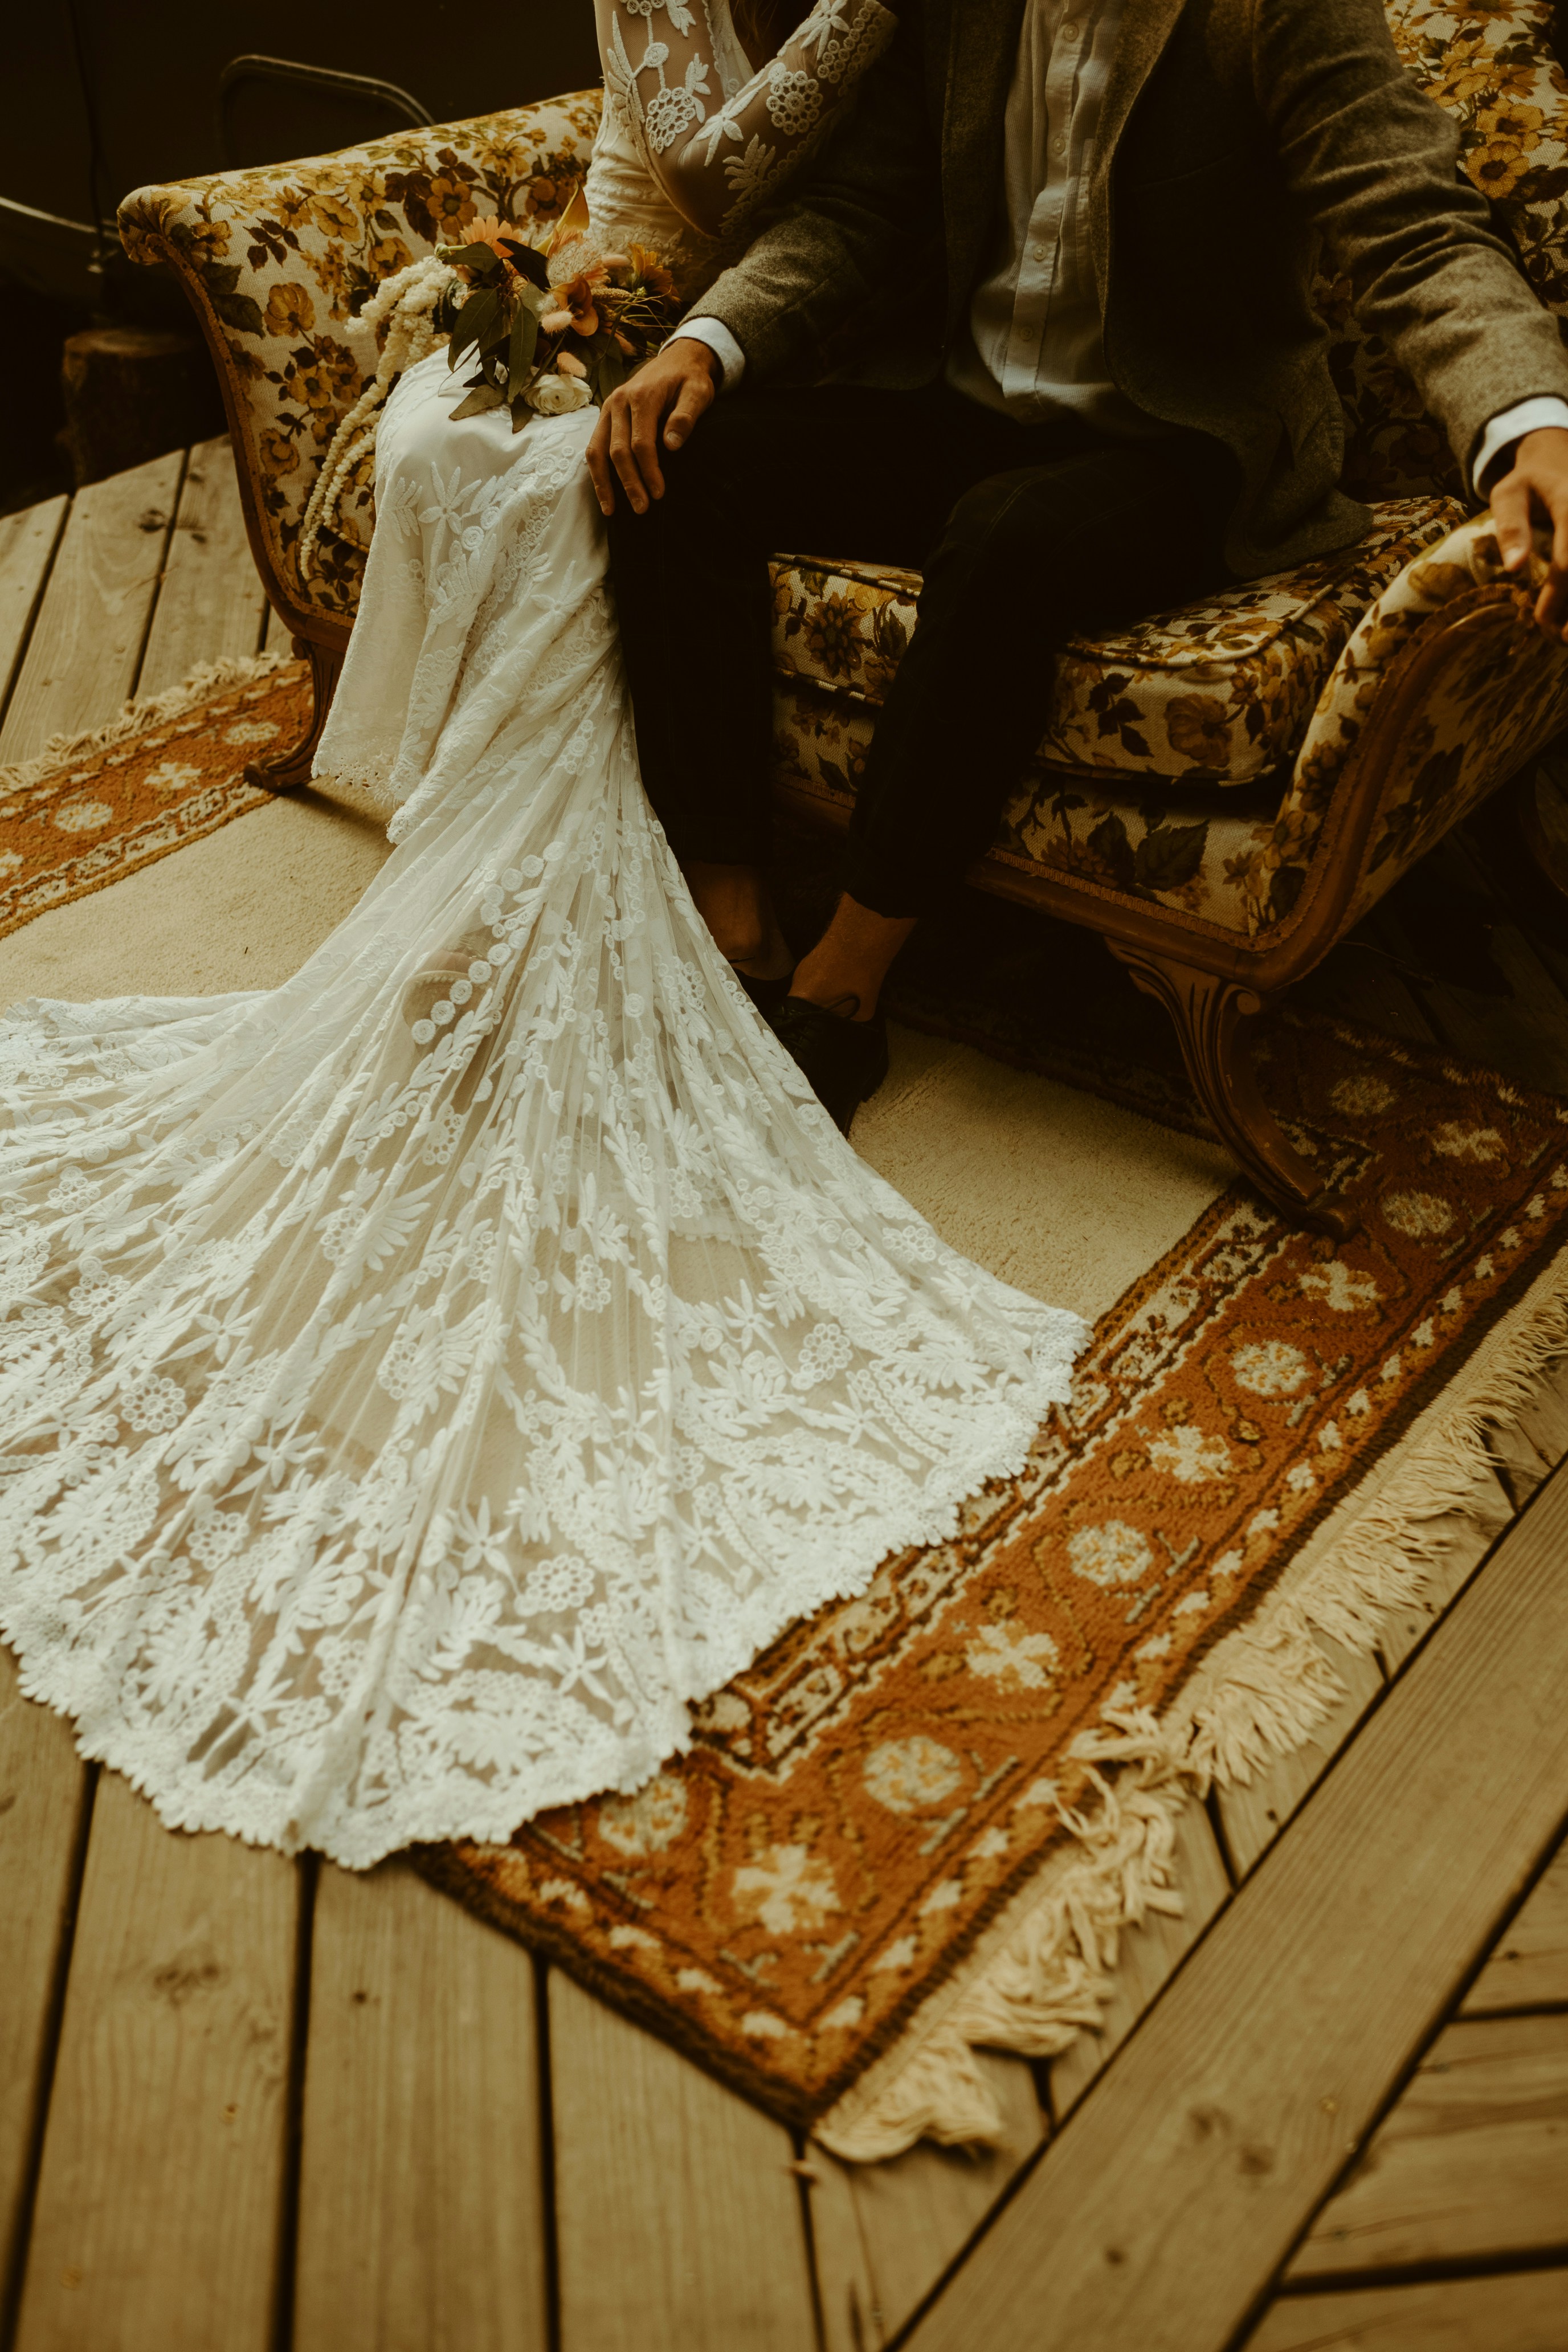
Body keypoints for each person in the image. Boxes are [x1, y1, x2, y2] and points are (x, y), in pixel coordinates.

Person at [0, 0, 1086, 1871]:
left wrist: (691, 318)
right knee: (474, 445)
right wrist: (589, 271)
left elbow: (814, 196)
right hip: (686, 308)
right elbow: (634, 154)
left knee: (598, 476)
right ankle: (561, 875)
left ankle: (653, 909)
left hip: (845, 345)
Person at [590, 0, 1568, 1129]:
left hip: (1186, 441)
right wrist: (699, 345)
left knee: (1011, 536)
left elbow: (1415, 230)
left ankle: (843, 984)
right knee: (682, 455)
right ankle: (737, 922)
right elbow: (856, 205)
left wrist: (1527, 427)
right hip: (972, 405)